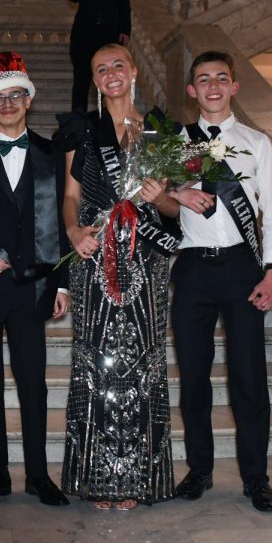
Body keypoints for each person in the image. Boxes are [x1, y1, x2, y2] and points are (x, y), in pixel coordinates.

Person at [56, 43, 179, 511]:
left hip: (145, 261)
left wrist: (159, 197)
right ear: (93, 78)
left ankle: (136, 479)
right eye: (100, 68)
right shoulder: (81, 131)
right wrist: (72, 232)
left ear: (133, 72)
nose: (110, 74)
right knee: (97, 365)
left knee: (143, 365)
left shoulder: (160, 131)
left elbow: (171, 207)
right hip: (94, 255)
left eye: (117, 66)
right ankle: (97, 479)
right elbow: (70, 196)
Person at [167, 50, 272, 513]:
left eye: (221, 78)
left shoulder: (257, 142)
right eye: (203, 79)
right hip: (194, 269)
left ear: (234, 86)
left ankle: (257, 478)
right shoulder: (175, 142)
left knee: (249, 380)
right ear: (192, 90)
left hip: (242, 268)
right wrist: (178, 190)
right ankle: (200, 470)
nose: (213, 86)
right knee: (194, 379)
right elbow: (148, 194)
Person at [0, 52, 71, 507]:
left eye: (15, 95)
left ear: (29, 99)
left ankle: (39, 474)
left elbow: (65, 220)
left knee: (33, 382)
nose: (7, 104)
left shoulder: (51, 153)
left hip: (34, 285)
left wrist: (62, 283)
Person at [68, 0, 131, 112]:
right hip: (84, 35)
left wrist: (126, 30)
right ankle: (78, 120)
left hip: (109, 35)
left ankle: (108, 119)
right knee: (81, 80)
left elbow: (124, 4)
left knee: (108, 78)